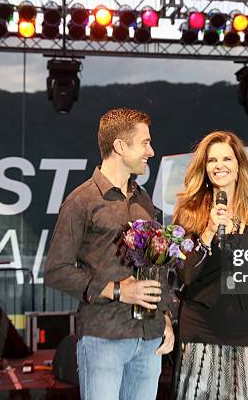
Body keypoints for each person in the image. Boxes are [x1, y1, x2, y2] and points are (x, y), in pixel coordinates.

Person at [44, 108, 174, 400]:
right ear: (119, 146)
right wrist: (117, 291)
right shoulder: (82, 200)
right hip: (105, 337)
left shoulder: (143, 199)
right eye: (144, 142)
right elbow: (56, 269)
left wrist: (165, 315)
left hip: (148, 337)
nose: (151, 151)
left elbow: (158, 263)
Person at [172, 131, 248, 400]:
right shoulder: (188, 211)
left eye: (226, 158)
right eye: (212, 160)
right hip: (201, 321)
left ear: (239, 166)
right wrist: (208, 231)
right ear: (204, 169)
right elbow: (186, 274)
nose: (219, 165)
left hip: (246, 321)